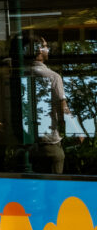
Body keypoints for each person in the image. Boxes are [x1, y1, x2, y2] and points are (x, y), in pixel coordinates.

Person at [26, 34, 69, 173]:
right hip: (49, 144)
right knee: (53, 190)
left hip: (29, 146)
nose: (48, 49)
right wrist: (75, 130)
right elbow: (62, 107)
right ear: (38, 50)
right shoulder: (53, 76)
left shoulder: (21, 73)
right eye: (45, 46)